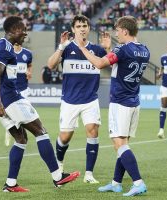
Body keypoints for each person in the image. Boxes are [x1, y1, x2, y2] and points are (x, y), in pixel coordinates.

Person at [0, 16, 80, 192]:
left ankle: (10, 184)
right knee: (41, 132)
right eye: (22, 29)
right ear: (12, 30)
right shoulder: (5, 48)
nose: (25, 33)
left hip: (3, 101)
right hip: (10, 98)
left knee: (21, 139)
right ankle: (58, 177)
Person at [78, 16, 149, 196]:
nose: (116, 33)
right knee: (123, 144)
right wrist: (108, 49)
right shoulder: (145, 50)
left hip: (120, 102)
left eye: (117, 30)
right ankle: (116, 183)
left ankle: (138, 182)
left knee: (119, 145)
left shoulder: (123, 49)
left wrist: (81, 48)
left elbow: (100, 64)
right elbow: (120, 65)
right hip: (134, 102)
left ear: (125, 31)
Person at [47, 15, 110, 184]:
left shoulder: (97, 49)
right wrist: (61, 46)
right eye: (79, 26)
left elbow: (112, 64)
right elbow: (50, 65)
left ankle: (89, 174)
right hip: (69, 100)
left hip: (90, 99)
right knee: (65, 137)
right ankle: (59, 163)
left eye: (85, 25)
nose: (82, 28)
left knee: (93, 131)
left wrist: (108, 48)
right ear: (73, 29)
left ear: (89, 28)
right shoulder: (66, 48)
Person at [4, 43, 33, 146]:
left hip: (24, 89)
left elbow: (29, 66)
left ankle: (21, 137)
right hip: (12, 89)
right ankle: (10, 132)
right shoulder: (8, 52)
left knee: (25, 115)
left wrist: (29, 72)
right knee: (13, 115)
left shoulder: (27, 53)